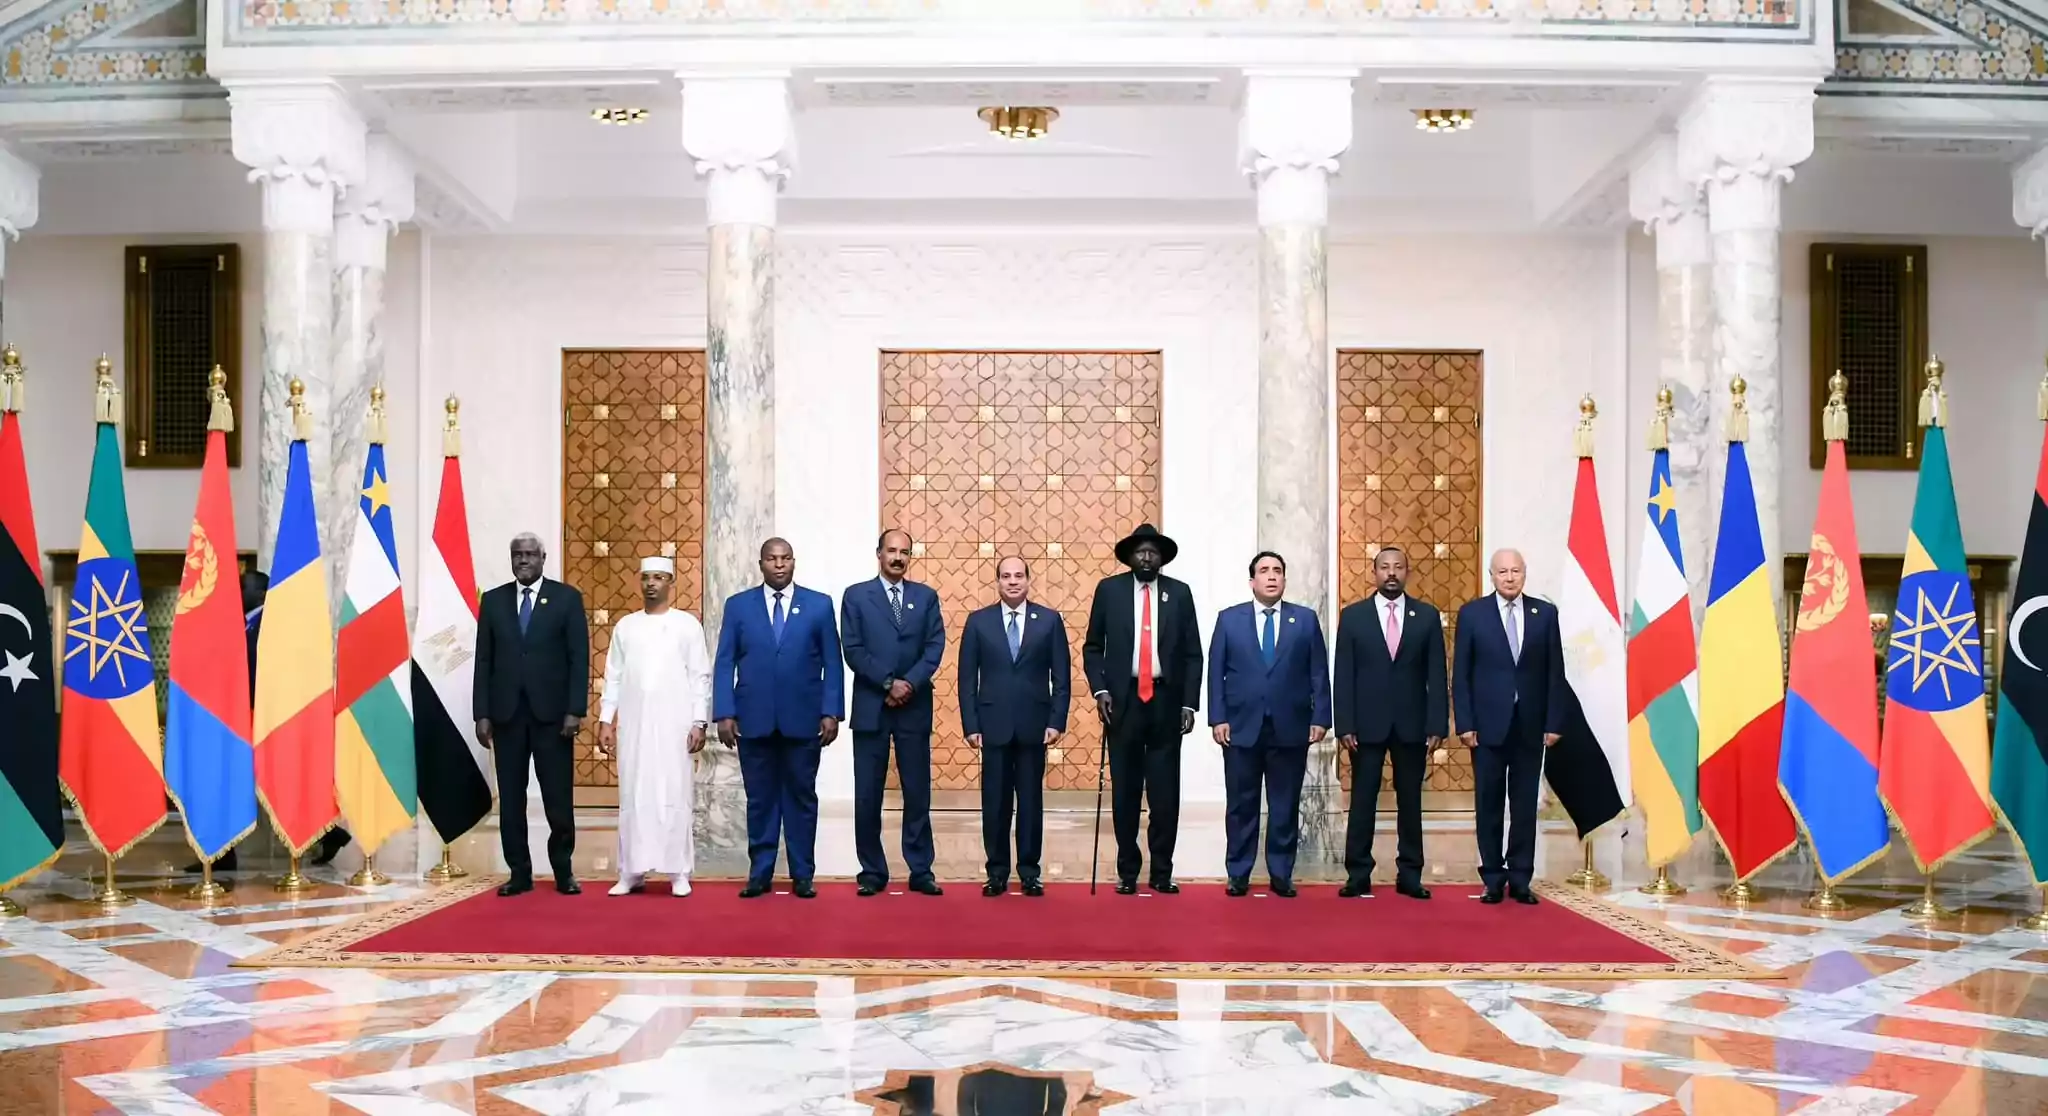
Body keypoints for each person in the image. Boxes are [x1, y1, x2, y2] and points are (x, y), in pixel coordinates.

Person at [185, 570, 348, 874]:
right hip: (239, 716)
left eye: (243, 587)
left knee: (273, 781)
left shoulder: (270, 622)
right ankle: (222, 853)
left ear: (261, 593)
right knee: (234, 781)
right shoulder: (245, 622)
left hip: (263, 716)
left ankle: (327, 832)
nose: (237, 593)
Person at [714, 537, 843, 899]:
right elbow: (725, 661)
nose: (779, 564)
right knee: (760, 800)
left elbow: (832, 661)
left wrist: (831, 711)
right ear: (761, 564)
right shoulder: (738, 606)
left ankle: (803, 874)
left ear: (794, 562)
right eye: (772, 559)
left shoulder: (819, 605)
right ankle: (760, 873)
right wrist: (724, 712)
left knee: (802, 798)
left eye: (785, 558)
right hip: (753, 720)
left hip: (804, 720)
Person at [1082, 523, 1201, 895]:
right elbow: (1092, 647)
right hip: (1123, 702)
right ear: (1130, 557)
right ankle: (1128, 871)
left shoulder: (1179, 593)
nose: (1147, 557)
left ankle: (1162, 871)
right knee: (1126, 791)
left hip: (1166, 703)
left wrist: (1189, 702)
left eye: (1153, 552)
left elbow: (1193, 653)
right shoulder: (1109, 590)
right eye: (1140, 552)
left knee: (1165, 794)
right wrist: (1101, 689)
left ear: (1161, 558)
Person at [1206, 550, 1329, 897]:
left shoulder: (1304, 620)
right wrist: (1218, 717)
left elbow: (1318, 672)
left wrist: (1321, 716)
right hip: (1241, 727)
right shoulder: (1229, 620)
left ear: (1284, 579)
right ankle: (1238, 872)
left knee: (1284, 804)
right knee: (1241, 805)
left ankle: (1281, 873)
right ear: (1252, 581)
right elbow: (1215, 672)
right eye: (1264, 570)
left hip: (1291, 726)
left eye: (1277, 570)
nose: (1271, 576)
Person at [474, 532, 590, 897]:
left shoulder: (566, 598)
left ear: (543, 558)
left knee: (558, 798)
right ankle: (519, 873)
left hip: (553, 718)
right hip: (506, 716)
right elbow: (484, 660)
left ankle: (563, 871)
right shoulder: (493, 601)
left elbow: (578, 658)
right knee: (511, 800)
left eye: (530, 554)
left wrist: (575, 710)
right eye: (517, 555)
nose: (523, 560)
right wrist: (482, 713)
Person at [1453, 547, 1566, 906]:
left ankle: (1520, 878)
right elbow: (1461, 674)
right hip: (1486, 728)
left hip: (1530, 727)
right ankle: (1492, 877)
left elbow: (1555, 673)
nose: (1509, 577)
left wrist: (1553, 721)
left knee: (1524, 807)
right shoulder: (1473, 614)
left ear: (1524, 574)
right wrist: (1465, 723)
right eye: (1502, 572)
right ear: (1492, 576)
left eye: (1515, 571)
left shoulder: (1544, 614)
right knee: (1488, 804)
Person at [1333, 545, 1446, 899]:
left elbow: (1436, 674)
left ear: (1407, 572)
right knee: (1362, 801)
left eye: (1398, 567)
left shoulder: (1426, 616)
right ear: (1375, 572)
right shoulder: (1354, 617)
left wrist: (1437, 725)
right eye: (1385, 567)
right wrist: (1344, 724)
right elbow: (1343, 674)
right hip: (1365, 726)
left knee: (1410, 802)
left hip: (1413, 725)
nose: (1392, 573)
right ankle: (1358, 874)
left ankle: (1410, 874)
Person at [840, 529, 945, 897]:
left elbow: (934, 647)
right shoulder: (856, 596)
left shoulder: (926, 597)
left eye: (904, 552)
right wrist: (888, 683)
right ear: (879, 554)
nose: (898, 557)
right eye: (891, 551)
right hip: (872, 707)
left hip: (914, 707)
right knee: (868, 793)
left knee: (917, 792)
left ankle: (921, 869)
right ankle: (872, 871)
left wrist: (908, 684)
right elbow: (852, 648)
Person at [598, 556, 711, 898]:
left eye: (659, 577)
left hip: (675, 724)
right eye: (646, 577)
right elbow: (613, 676)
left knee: (674, 793)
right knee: (633, 794)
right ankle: (631, 871)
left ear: (670, 583)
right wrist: (606, 719)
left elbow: (700, 676)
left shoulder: (687, 625)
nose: (651, 584)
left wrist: (699, 721)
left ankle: (678, 871)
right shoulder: (626, 626)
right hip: (634, 725)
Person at [958, 555, 1070, 897]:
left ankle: (1030, 872)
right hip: (992, 726)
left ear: (1028, 580)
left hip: (1035, 726)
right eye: (1006, 576)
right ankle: (996, 872)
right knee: (995, 802)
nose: (1012, 581)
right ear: (997, 582)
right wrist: (970, 724)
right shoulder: (978, 622)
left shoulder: (1049, 620)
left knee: (1031, 802)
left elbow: (1061, 677)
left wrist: (1057, 720)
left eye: (1018, 575)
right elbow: (967, 679)